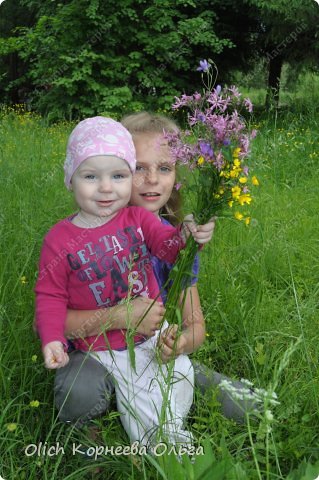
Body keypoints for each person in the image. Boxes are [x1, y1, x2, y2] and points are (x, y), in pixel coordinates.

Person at [53, 112, 258, 428]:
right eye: (138, 168)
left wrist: (180, 343)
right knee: (80, 392)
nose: (152, 180)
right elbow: (57, 323)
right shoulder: (83, 236)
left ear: (176, 177)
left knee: (245, 405)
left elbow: (195, 325)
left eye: (164, 168)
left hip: (148, 351)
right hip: (91, 352)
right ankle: (89, 433)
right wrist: (121, 316)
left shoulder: (176, 241)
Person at [35, 116, 215, 447]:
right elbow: (48, 297)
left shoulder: (141, 220)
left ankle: (169, 431)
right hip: (94, 349)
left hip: (146, 342)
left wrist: (189, 237)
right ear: (71, 180)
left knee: (185, 378)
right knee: (86, 389)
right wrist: (55, 338)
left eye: (117, 175)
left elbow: (169, 247)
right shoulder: (60, 239)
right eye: (92, 176)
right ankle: (127, 440)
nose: (106, 187)